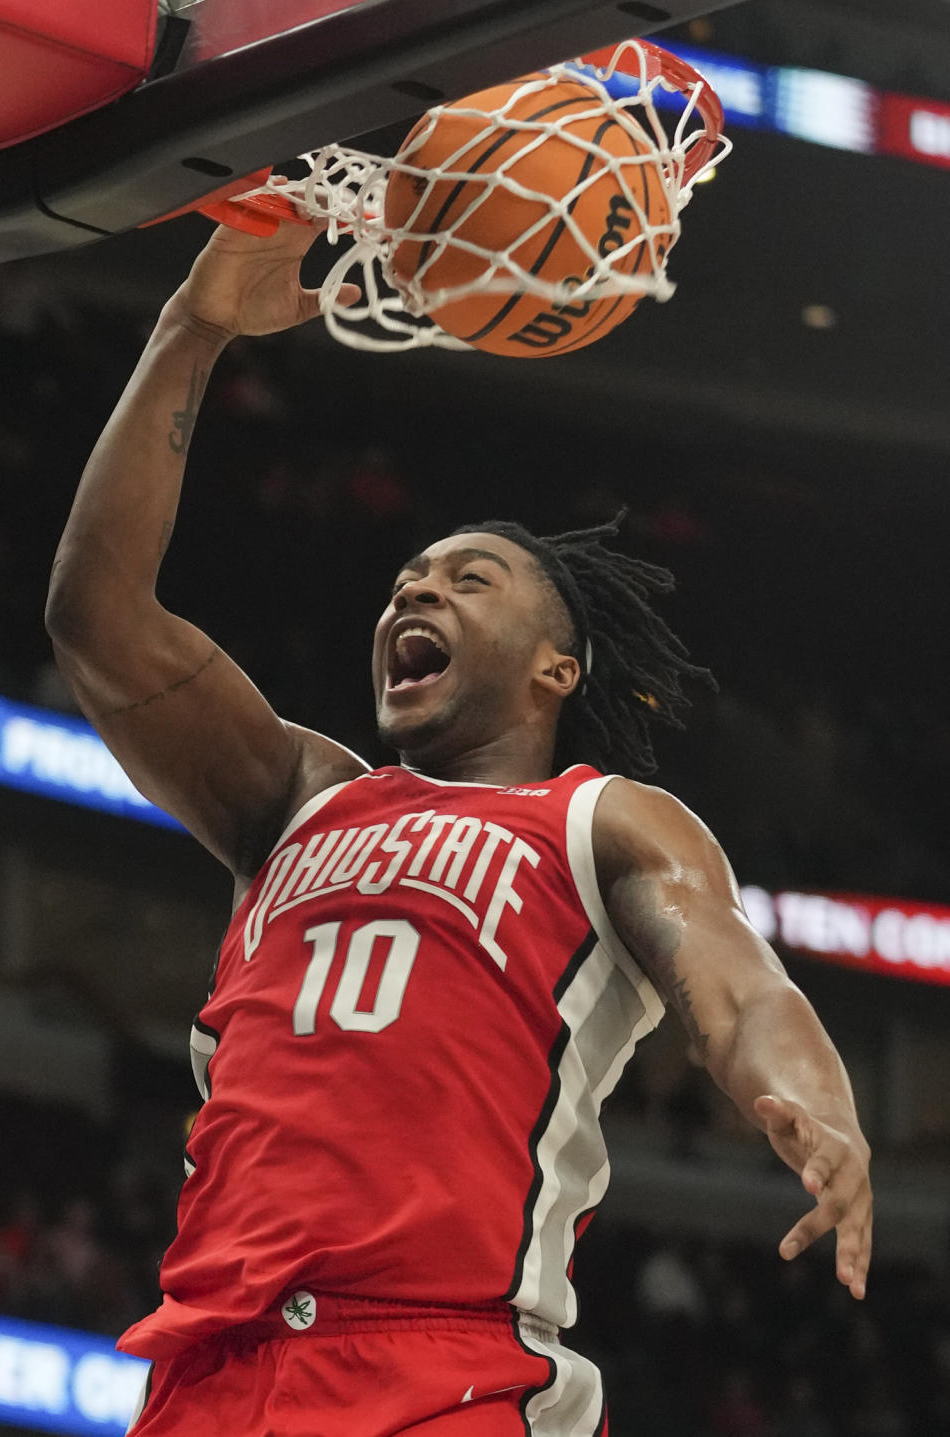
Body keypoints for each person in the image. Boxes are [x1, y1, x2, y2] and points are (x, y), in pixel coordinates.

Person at [46, 223, 872, 1437]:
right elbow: (98, 619)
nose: (415, 591)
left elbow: (739, 990)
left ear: (556, 666)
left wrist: (815, 1107)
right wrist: (193, 325)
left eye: (467, 580)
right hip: (214, 1368)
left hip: (446, 1373)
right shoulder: (295, 795)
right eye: (406, 582)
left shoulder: (598, 819)